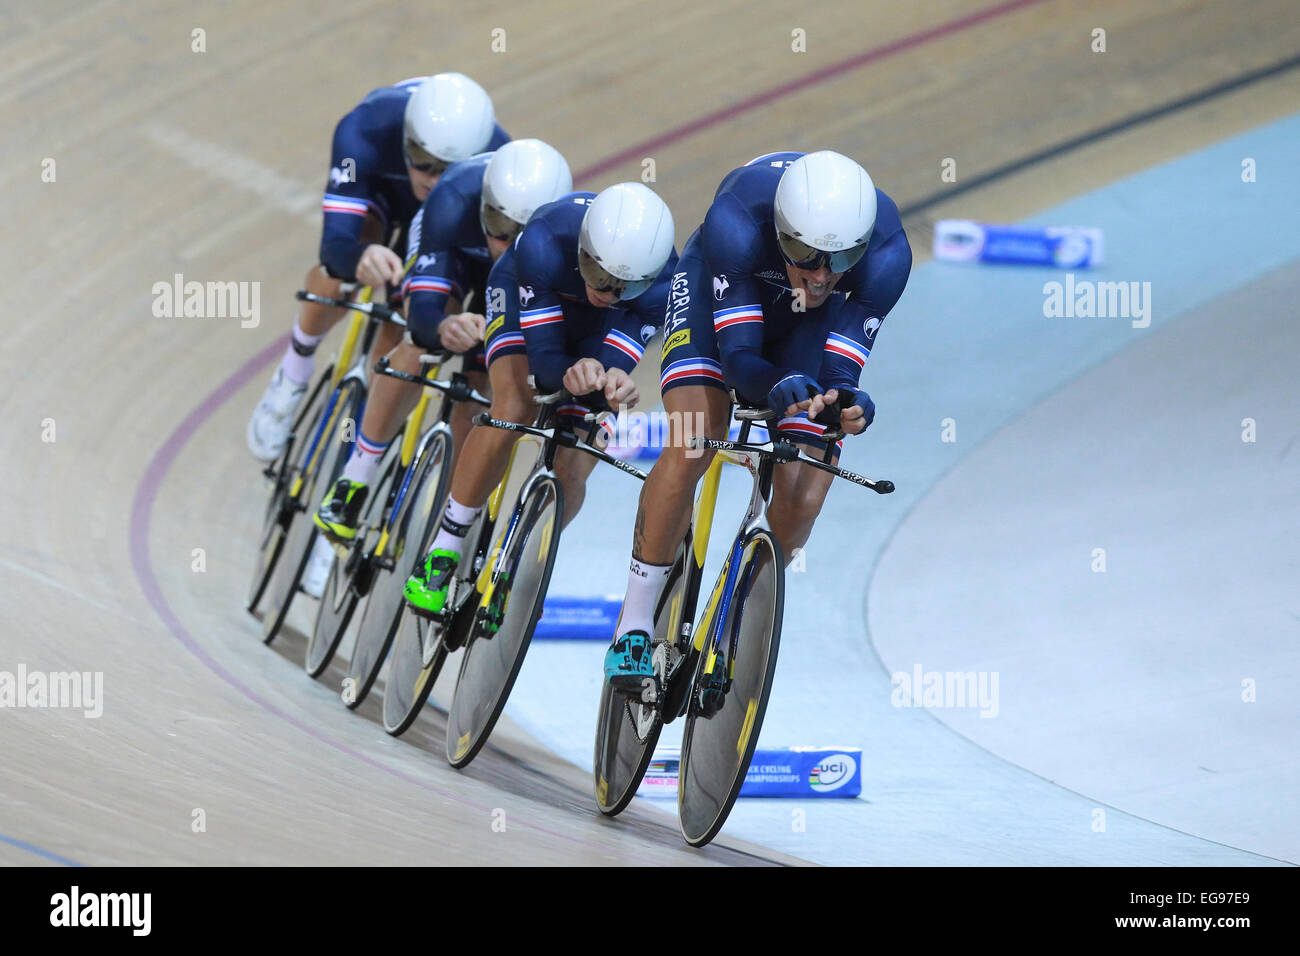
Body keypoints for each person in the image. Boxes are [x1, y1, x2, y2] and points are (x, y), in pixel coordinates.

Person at [602, 150, 912, 689]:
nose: (820, 275)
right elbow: (740, 359)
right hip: (715, 300)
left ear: (859, 249)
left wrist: (847, 402)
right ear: (781, 230)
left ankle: (735, 620)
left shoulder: (886, 256)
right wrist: (771, 386)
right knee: (692, 441)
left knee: (804, 494)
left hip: (807, 332)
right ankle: (633, 624)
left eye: (838, 262)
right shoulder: (737, 222)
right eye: (806, 255)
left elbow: (840, 367)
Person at [403, 182, 678, 616]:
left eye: (621, 287)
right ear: (584, 249)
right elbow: (547, 361)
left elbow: (609, 362)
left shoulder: (664, 286)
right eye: (598, 275)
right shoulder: (545, 241)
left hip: (600, 328)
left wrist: (608, 382)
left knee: (582, 445)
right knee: (514, 406)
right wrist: (573, 376)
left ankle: (517, 562)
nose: (604, 292)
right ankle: (445, 547)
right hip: (524, 296)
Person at [312, 139, 574, 540]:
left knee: (486, 384)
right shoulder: (452, 200)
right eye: (500, 228)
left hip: (522, 288)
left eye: (523, 236)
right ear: (484, 205)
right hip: (455, 256)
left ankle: (447, 516)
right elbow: (423, 313)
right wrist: (442, 327)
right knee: (418, 343)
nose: (509, 246)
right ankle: (357, 476)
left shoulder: (564, 241)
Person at [246, 72, 508, 463]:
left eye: (448, 171)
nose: (433, 180)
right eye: (423, 163)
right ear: (406, 138)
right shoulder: (365, 128)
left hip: (448, 223)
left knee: (407, 324)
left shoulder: (502, 168)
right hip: (386, 196)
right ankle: (294, 369)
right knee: (341, 271)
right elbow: (336, 246)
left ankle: (371, 419)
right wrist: (359, 255)